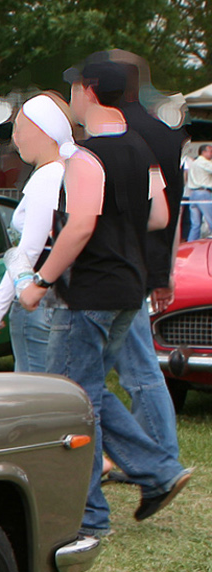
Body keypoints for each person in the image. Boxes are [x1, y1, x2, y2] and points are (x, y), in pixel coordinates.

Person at [18, 54, 190, 535]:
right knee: (88, 392)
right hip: (128, 290)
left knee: (73, 401)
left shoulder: (86, 156)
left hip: (88, 292)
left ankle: (93, 513)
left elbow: (78, 226)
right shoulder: (140, 148)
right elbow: (159, 217)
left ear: (89, 91)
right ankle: (155, 473)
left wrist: (40, 283)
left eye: (74, 88)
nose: (71, 95)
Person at [95, 50, 187, 473]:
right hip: (145, 264)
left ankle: (158, 461)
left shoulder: (110, 135)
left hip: (109, 266)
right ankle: (153, 457)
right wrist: (162, 272)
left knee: (128, 370)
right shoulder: (166, 136)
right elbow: (171, 212)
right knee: (136, 368)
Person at [0, 94, 75, 372]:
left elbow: (28, 250)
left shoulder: (47, 177)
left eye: (20, 129)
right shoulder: (70, 170)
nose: (15, 139)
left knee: (35, 388)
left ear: (42, 131)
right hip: (60, 296)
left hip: (37, 300)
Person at [187, 144, 212, 241]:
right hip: (203, 193)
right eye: (210, 151)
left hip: (193, 194)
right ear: (204, 152)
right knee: (211, 220)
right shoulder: (204, 162)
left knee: (195, 224)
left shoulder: (194, 162)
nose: (211, 154)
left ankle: (190, 244)